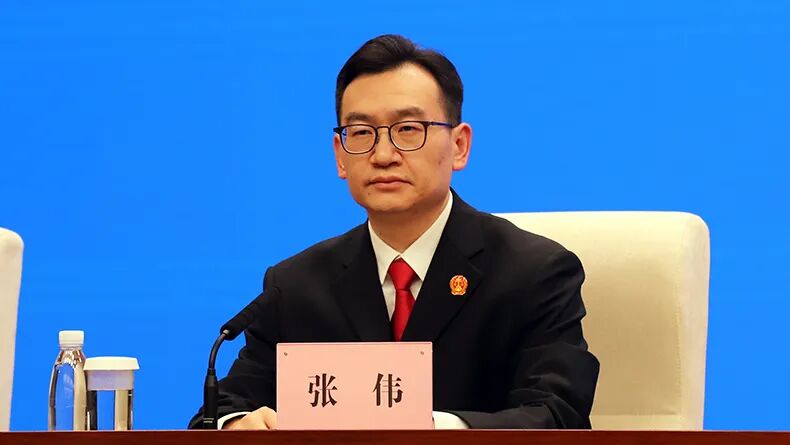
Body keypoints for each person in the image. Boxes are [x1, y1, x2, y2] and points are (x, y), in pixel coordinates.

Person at [189, 34, 599, 430]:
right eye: (361, 133)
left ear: (459, 146)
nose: (383, 155)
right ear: (340, 157)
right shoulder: (295, 287)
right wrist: (235, 425)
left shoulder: (534, 273)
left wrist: (426, 430)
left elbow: (558, 415)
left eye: (408, 129)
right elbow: (220, 411)